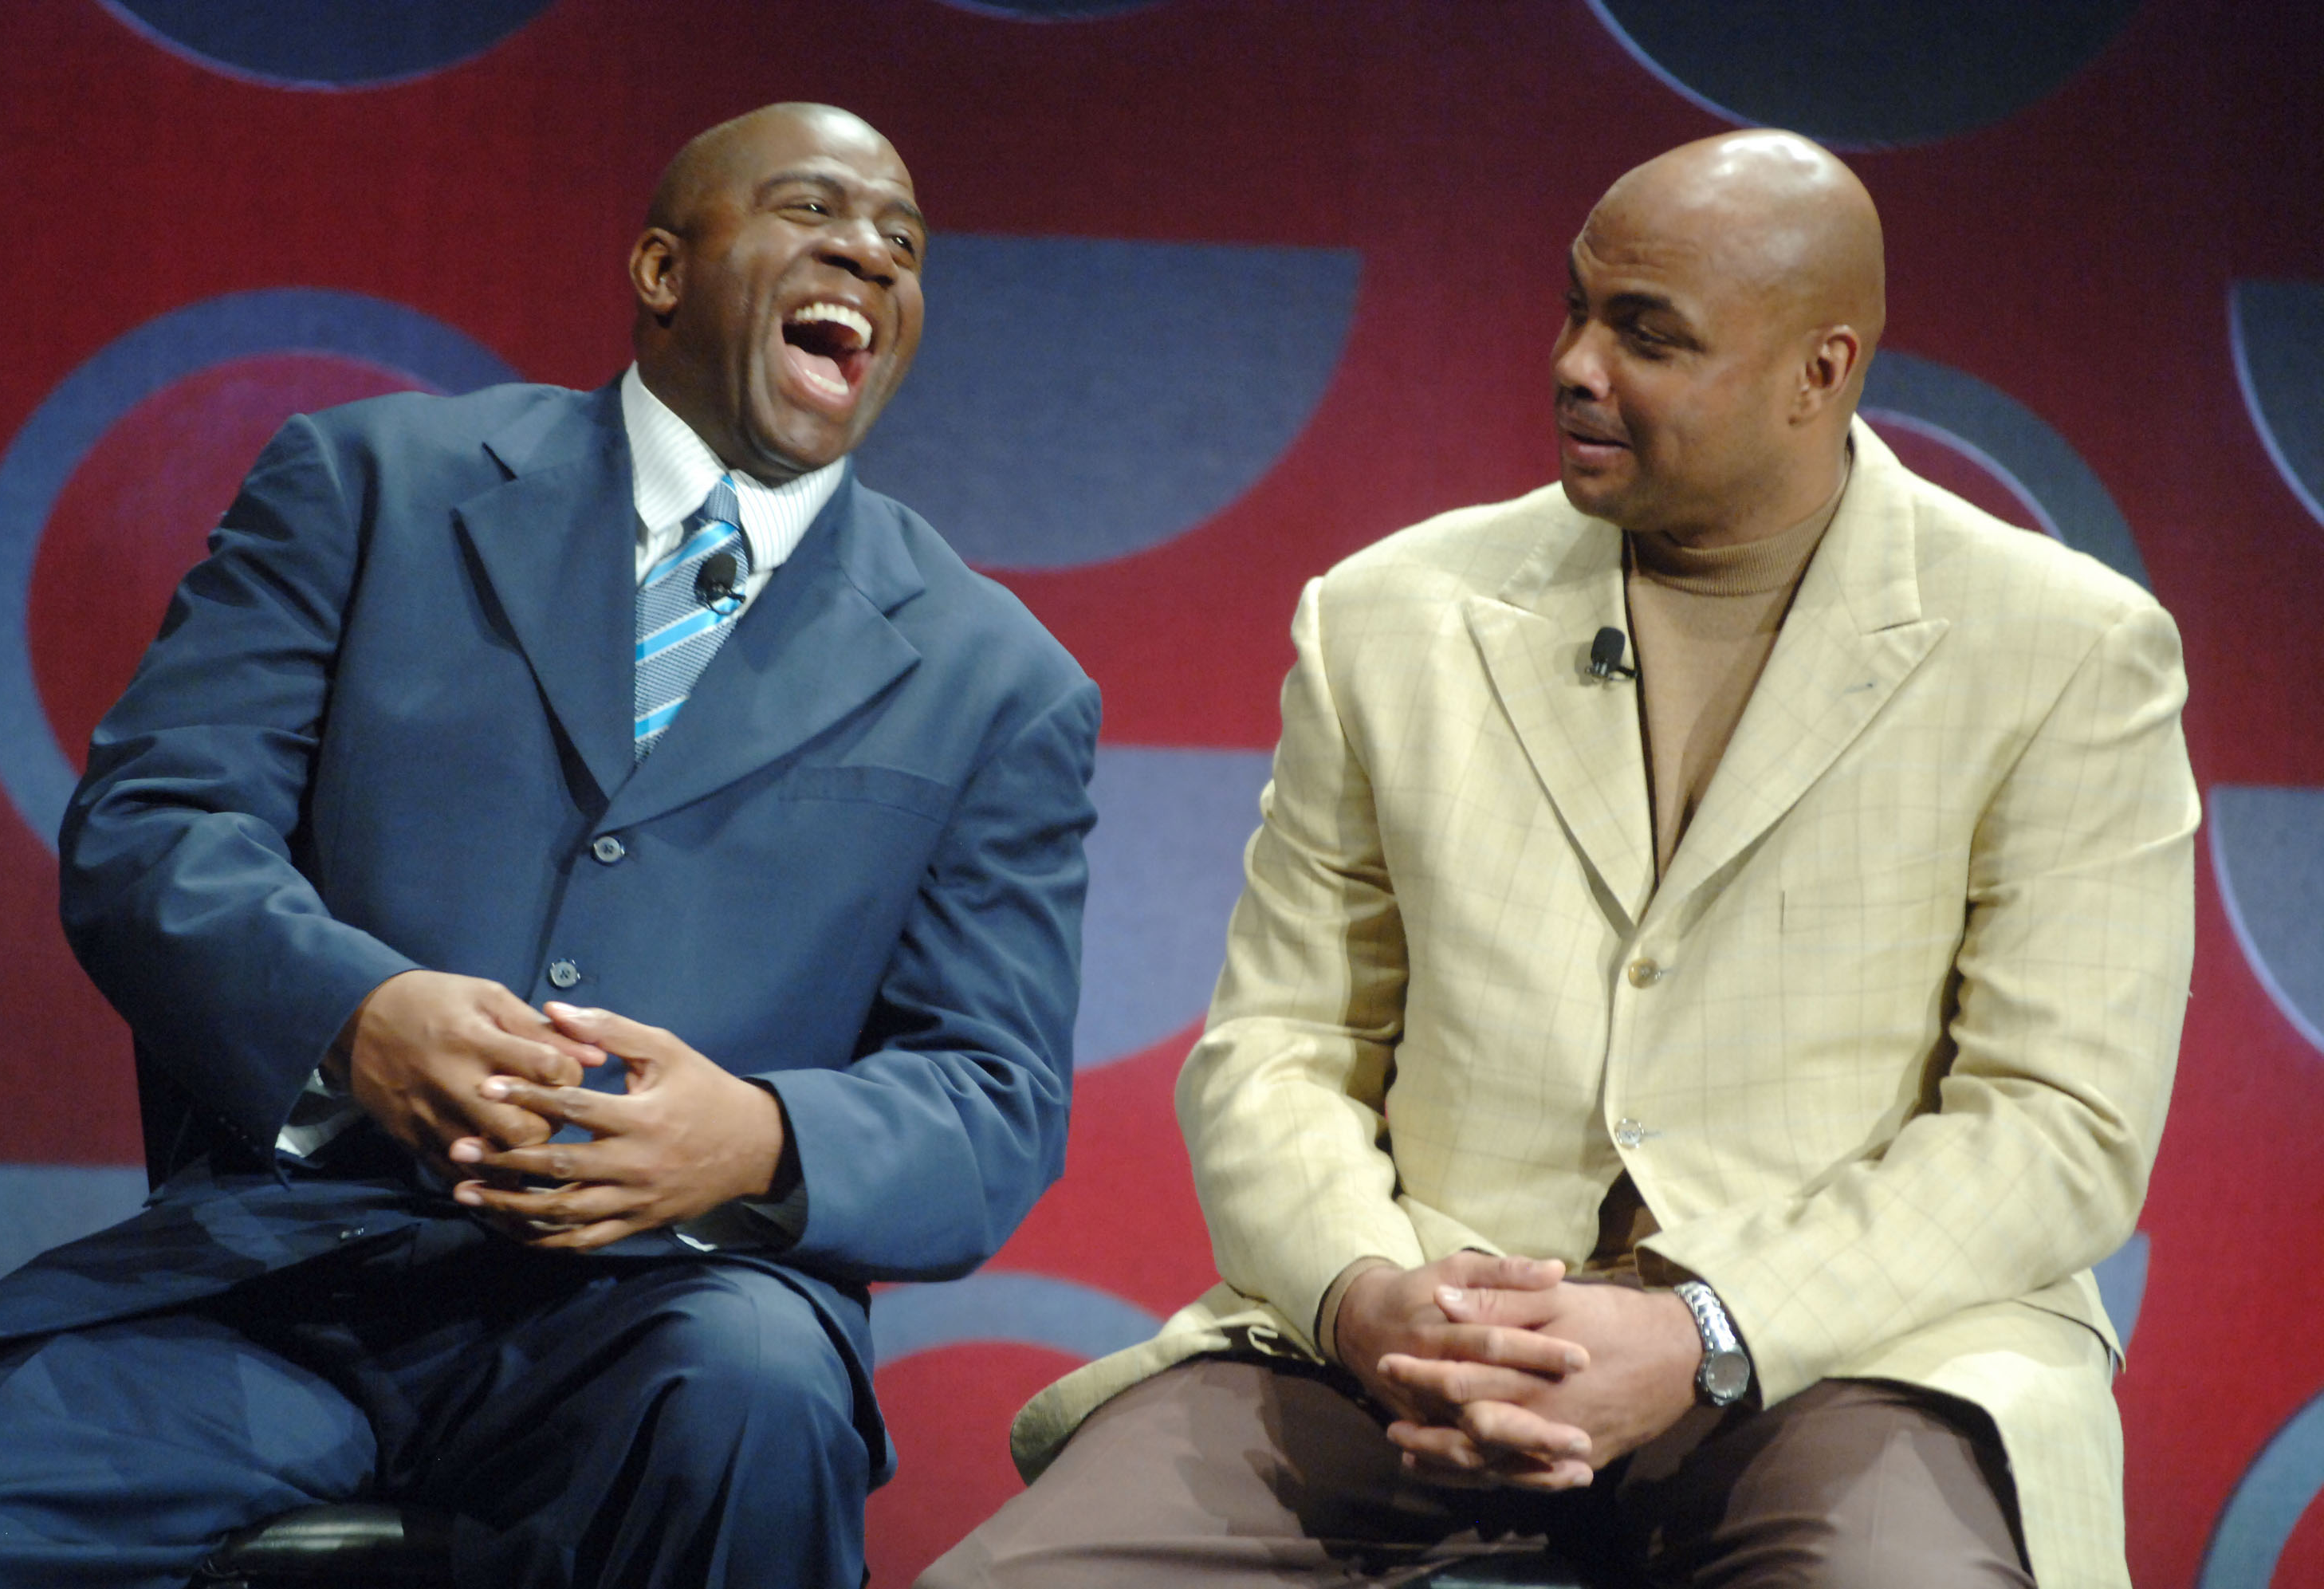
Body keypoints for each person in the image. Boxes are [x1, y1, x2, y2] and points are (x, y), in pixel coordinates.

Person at [922, 131, 2195, 1588]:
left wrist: (1708, 1326)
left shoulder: (2065, 650)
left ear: (1821, 371)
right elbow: (1279, 1047)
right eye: (1576, 309)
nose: (1577, 364)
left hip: (1850, 1355)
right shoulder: (1391, 616)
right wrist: (1368, 1297)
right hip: (1424, 1339)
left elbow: (2054, 1122)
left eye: (1647, 334)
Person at [0, 103, 1099, 1589]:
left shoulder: (997, 676)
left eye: (905, 243)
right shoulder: (369, 487)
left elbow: (990, 1091)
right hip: (280, 1274)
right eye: (815, 211)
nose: (867, 254)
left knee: (753, 1397)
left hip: (675, 1314)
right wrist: (354, 1016)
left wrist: (750, 1136)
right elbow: (155, 826)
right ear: (664, 269)